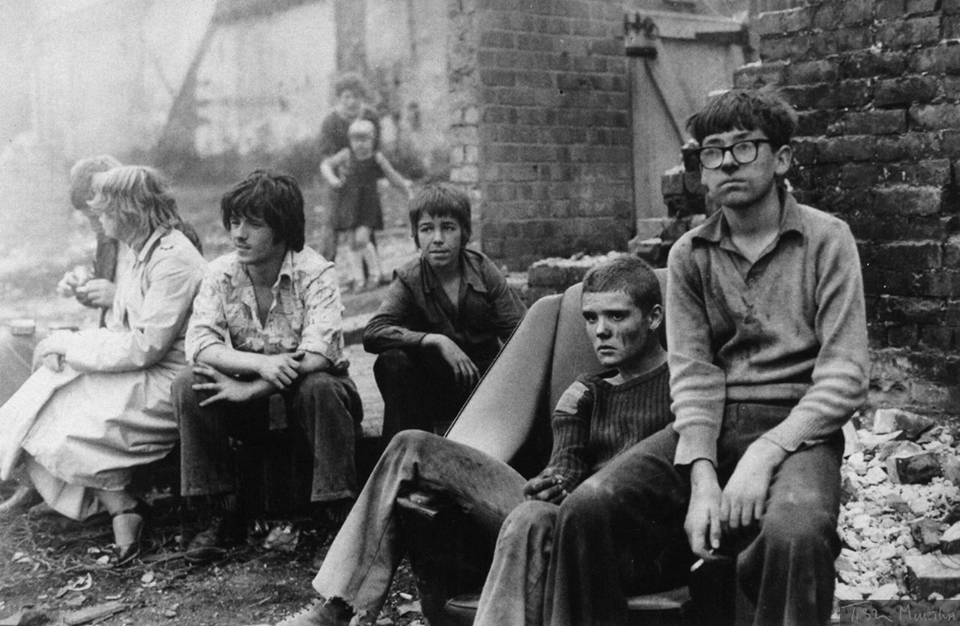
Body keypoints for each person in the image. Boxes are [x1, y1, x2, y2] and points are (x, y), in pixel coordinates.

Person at [273, 255, 677, 626]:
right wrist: (555, 479)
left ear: (654, 317)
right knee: (409, 446)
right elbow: (565, 464)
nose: (600, 331)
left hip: (630, 545)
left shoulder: (686, 384)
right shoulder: (585, 390)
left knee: (530, 516)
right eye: (590, 318)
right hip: (564, 518)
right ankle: (338, 607)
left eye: (616, 316)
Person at [597, 89, 868, 626]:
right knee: (591, 506)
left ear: (782, 159)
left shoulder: (828, 240)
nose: (726, 164)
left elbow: (845, 375)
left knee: (796, 530)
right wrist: (702, 477)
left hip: (799, 429)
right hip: (713, 424)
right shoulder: (688, 255)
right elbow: (694, 378)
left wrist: (766, 453)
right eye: (712, 153)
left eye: (745, 148)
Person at [0, 165, 206, 566]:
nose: (99, 218)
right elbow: (118, 326)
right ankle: (120, 504)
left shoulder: (174, 258)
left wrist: (71, 346)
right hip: (140, 368)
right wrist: (69, 346)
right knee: (37, 399)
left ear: (130, 211)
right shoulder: (138, 249)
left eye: (106, 211)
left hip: (168, 379)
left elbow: (147, 345)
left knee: (56, 420)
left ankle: (119, 507)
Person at [174, 169, 363, 565]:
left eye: (253, 223)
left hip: (313, 401)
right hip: (254, 399)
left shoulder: (316, 272)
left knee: (320, 386)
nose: (238, 234)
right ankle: (217, 513)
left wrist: (251, 387)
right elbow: (201, 342)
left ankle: (334, 518)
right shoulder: (221, 273)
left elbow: (319, 352)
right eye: (235, 222)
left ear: (282, 228)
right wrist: (259, 365)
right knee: (190, 383)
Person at [362, 183, 526, 442]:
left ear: (464, 233)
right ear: (416, 236)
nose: (437, 239)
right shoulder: (409, 279)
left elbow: (523, 334)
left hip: (483, 387)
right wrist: (434, 340)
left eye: (448, 228)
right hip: (432, 392)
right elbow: (373, 333)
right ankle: (407, 461)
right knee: (391, 362)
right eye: (427, 229)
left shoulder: (483, 271)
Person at [320, 119, 413, 292]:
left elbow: (391, 175)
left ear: (373, 140)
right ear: (350, 140)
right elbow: (326, 165)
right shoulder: (346, 154)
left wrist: (405, 189)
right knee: (351, 243)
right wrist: (333, 179)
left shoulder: (376, 157)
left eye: (365, 140)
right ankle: (359, 279)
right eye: (356, 140)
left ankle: (375, 275)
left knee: (362, 239)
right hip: (349, 204)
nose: (360, 144)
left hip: (368, 205)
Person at [317, 72, 381, 264]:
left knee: (364, 221)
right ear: (339, 98)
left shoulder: (370, 116)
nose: (351, 101)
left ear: (362, 97)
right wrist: (337, 173)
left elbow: (376, 147)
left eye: (356, 96)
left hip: (362, 177)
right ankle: (323, 269)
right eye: (346, 96)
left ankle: (371, 270)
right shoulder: (331, 121)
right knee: (332, 221)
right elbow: (325, 154)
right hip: (338, 176)